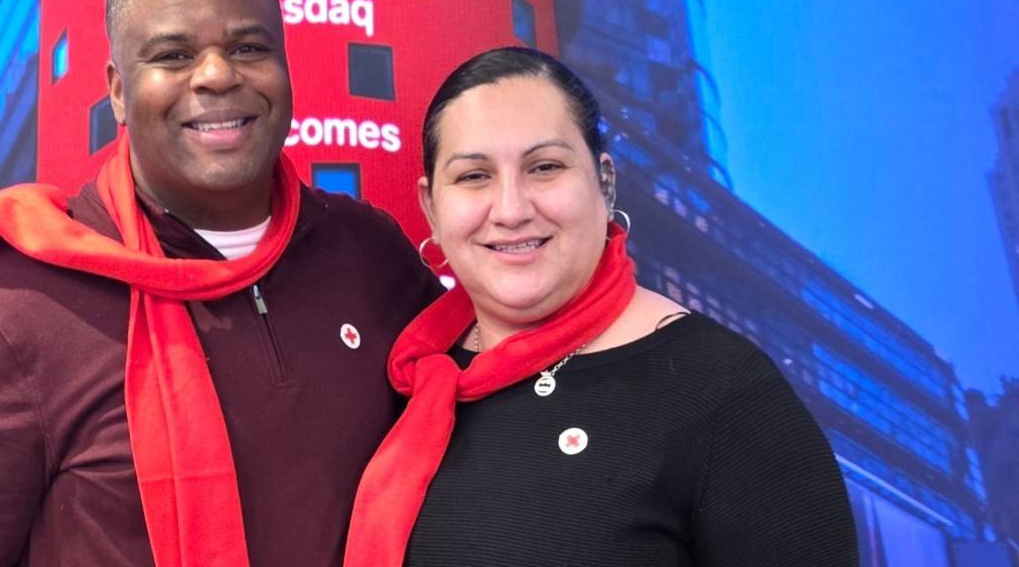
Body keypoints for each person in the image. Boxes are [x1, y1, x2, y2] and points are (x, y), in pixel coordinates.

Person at [0, 0, 443, 567]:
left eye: (248, 47)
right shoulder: (13, 306)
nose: (216, 76)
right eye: (173, 55)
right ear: (118, 90)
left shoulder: (369, 252)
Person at [344, 47, 858, 566]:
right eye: (474, 176)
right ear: (432, 208)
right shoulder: (405, 382)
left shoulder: (723, 393)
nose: (511, 209)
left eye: (545, 167)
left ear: (605, 183)